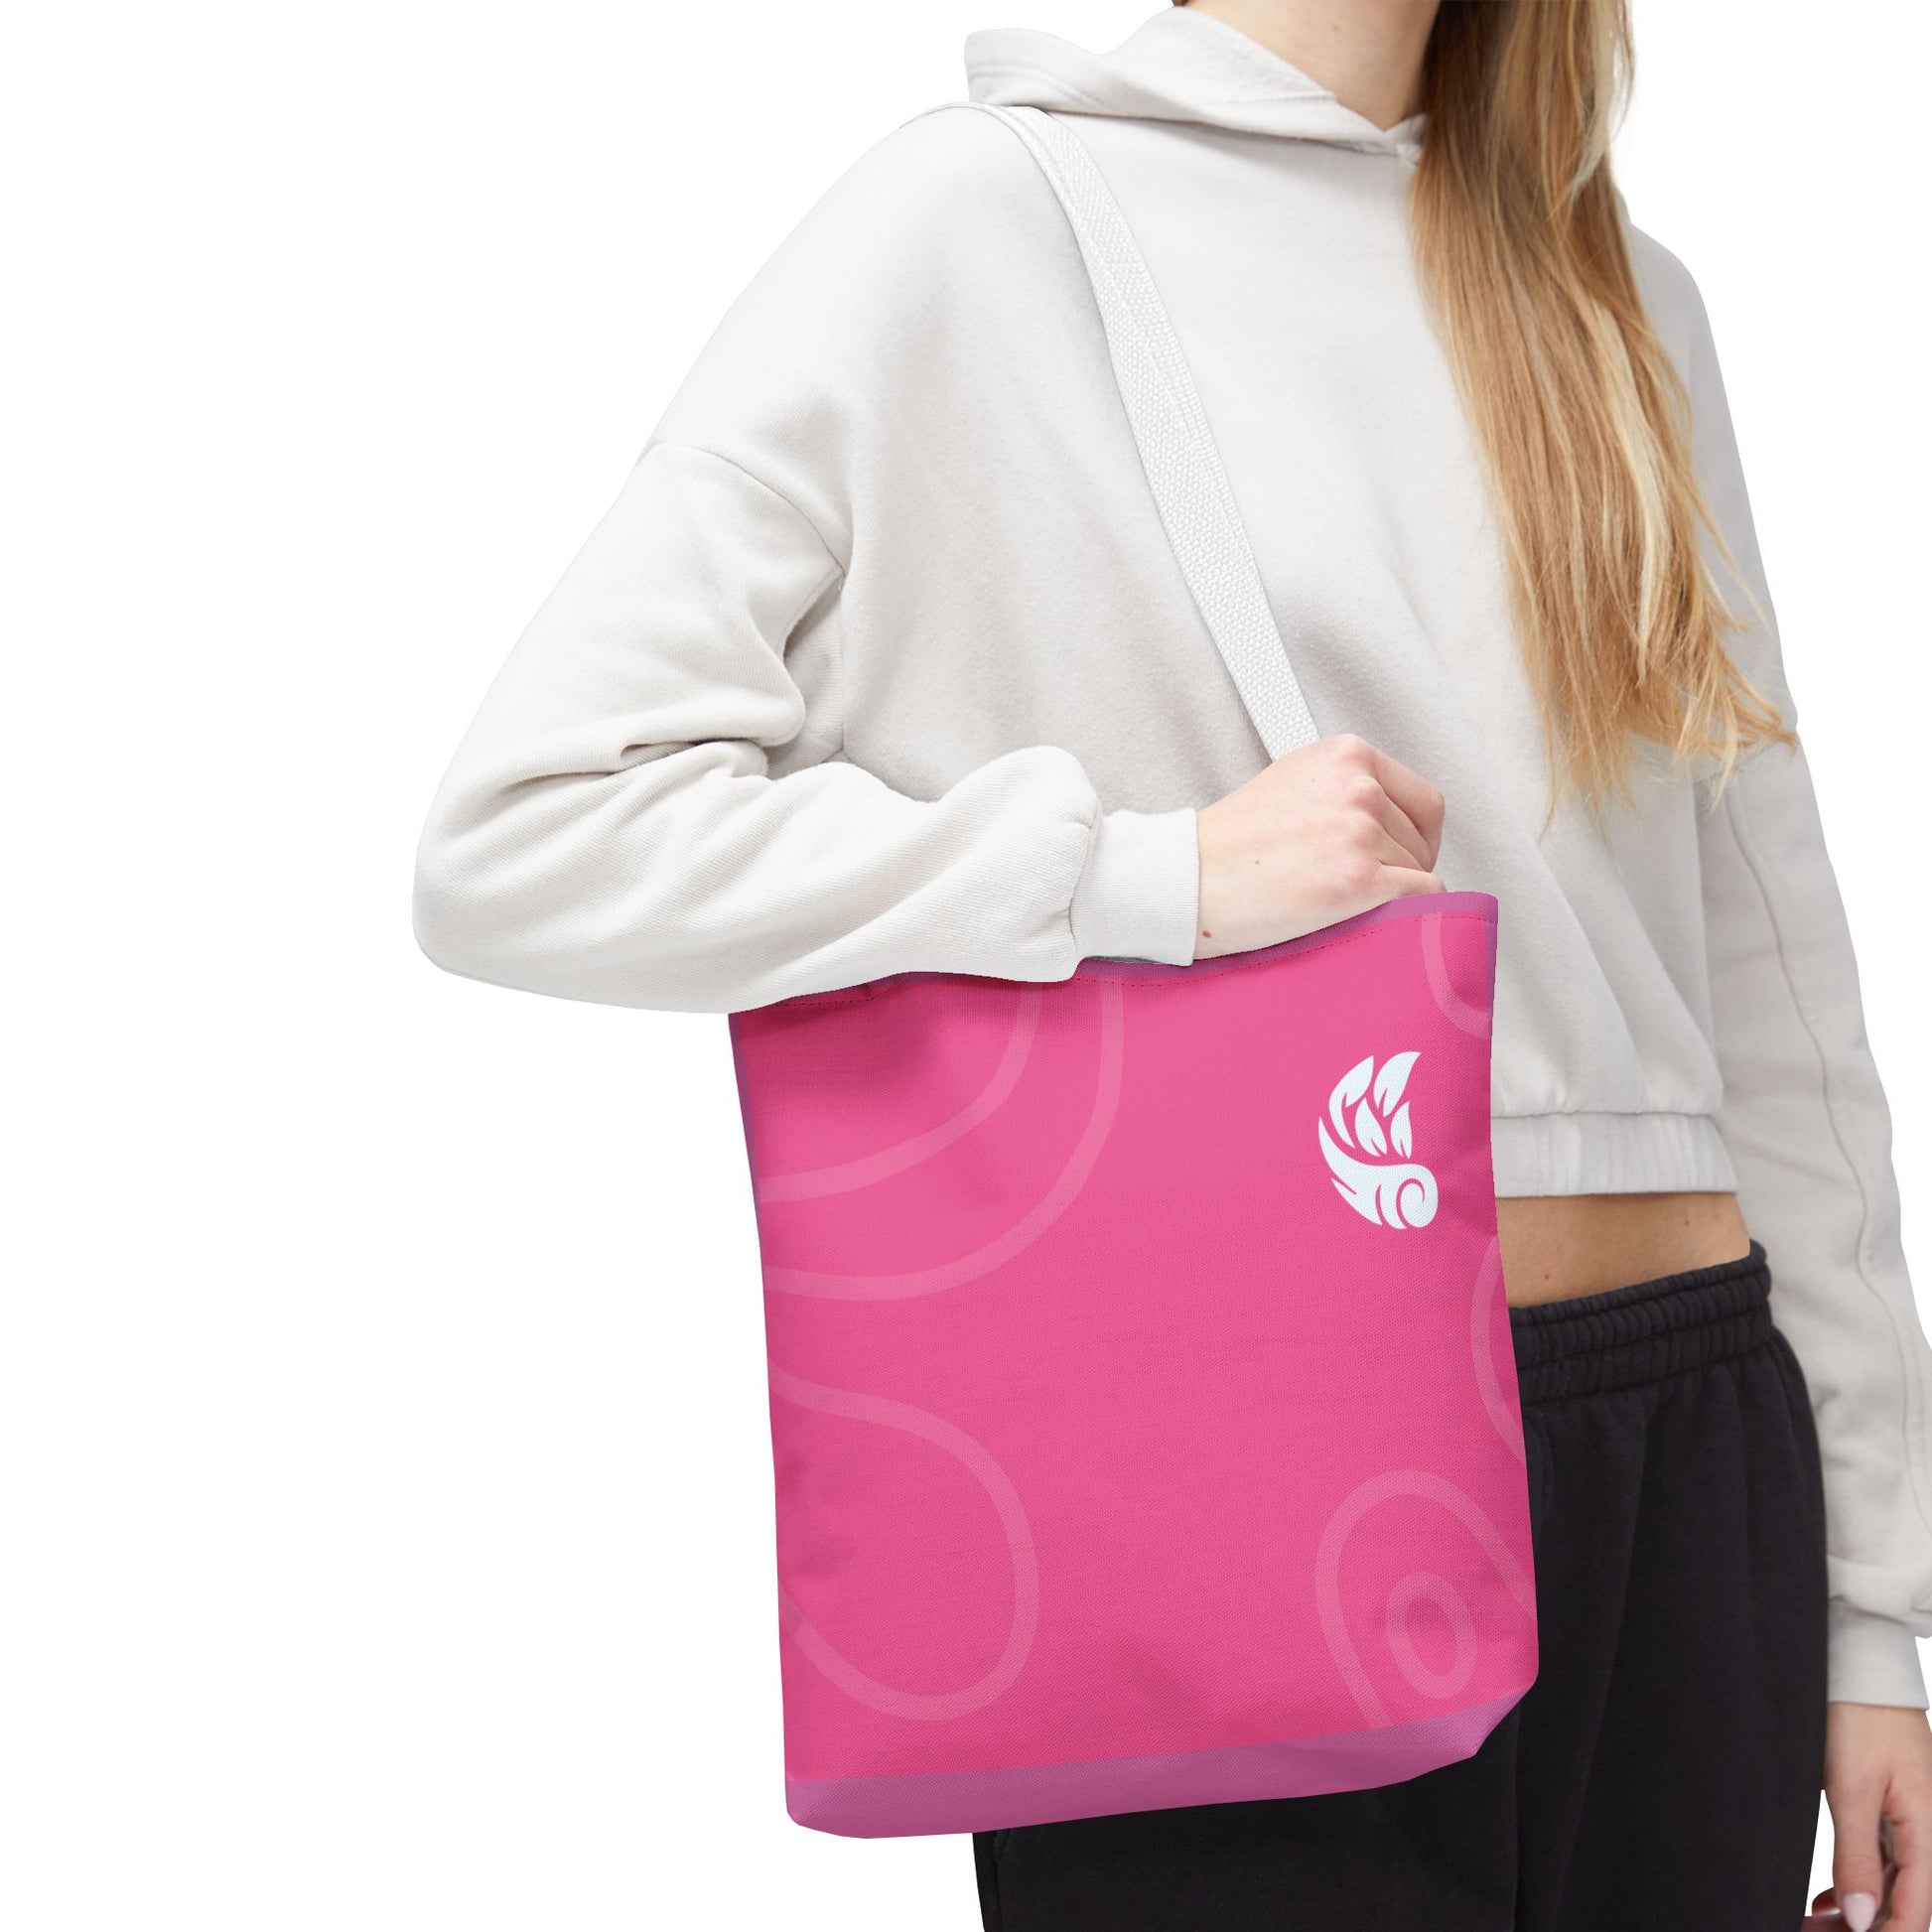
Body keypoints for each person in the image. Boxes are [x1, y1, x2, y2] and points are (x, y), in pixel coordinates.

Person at [411, 2, 1932, 1925]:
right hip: (1238, 1457)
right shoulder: (974, 226)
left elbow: (1774, 971)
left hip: (1697, 1448)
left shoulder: (1616, 289)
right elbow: (525, 831)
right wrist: (1146, 875)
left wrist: (1871, 1612)